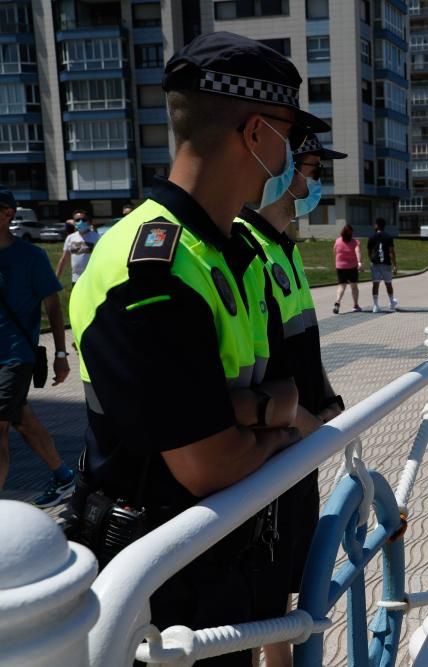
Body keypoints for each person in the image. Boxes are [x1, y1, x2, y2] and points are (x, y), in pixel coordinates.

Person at [68, 32, 329, 665]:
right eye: (290, 134)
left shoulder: (229, 251)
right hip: (163, 593)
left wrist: (251, 411)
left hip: (226, 560)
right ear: (256, 134)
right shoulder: (150, 269)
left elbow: (242, 425)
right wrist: (282, 418)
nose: (294, 155)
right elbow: (209, 465)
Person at [235, 132, 347, 667]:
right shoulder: (244, 248)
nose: (313, 181)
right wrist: (301, 420)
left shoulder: (283, 246)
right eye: (306, 168)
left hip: (299, 439)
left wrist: (326, 399)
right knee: (265, 581)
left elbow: (300, 342)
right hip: (273, 444)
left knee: (285, 581)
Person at [0, 189, 75, 507]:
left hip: (15, 355)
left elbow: (53, 308)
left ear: (7, 215)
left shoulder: (31, 257)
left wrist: (60, 354)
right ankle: (65, 477)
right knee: (24, 422)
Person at [55, 215, 101, 286]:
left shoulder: (96, 237)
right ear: (74, 223)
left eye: (84, 220)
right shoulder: (70, 238)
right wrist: (56, 278)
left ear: (88, 222)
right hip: (76, 279)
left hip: (91, 279)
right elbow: (63, 259)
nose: (81, 222)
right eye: (77, 220)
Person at [368, 217, 397, 312]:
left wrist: (371, 260)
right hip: (386, 263)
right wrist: (395, 265)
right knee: (388, 283)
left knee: (375, 284)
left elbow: (370, 251)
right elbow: (392, 252)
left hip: (375, 264)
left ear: (377, 225)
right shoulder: (388, 237)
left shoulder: (371, 237)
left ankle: (375, 306)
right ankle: (392, 302)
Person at [333, 224, 363, 313]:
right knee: (354, 286)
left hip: (340, 267)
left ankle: (337, 302)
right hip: (352, 267)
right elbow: (358, 252)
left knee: (341, 286)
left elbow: (335, 251)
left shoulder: (337, 241)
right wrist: (359, 262)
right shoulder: (355, 242)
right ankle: (356, 305)